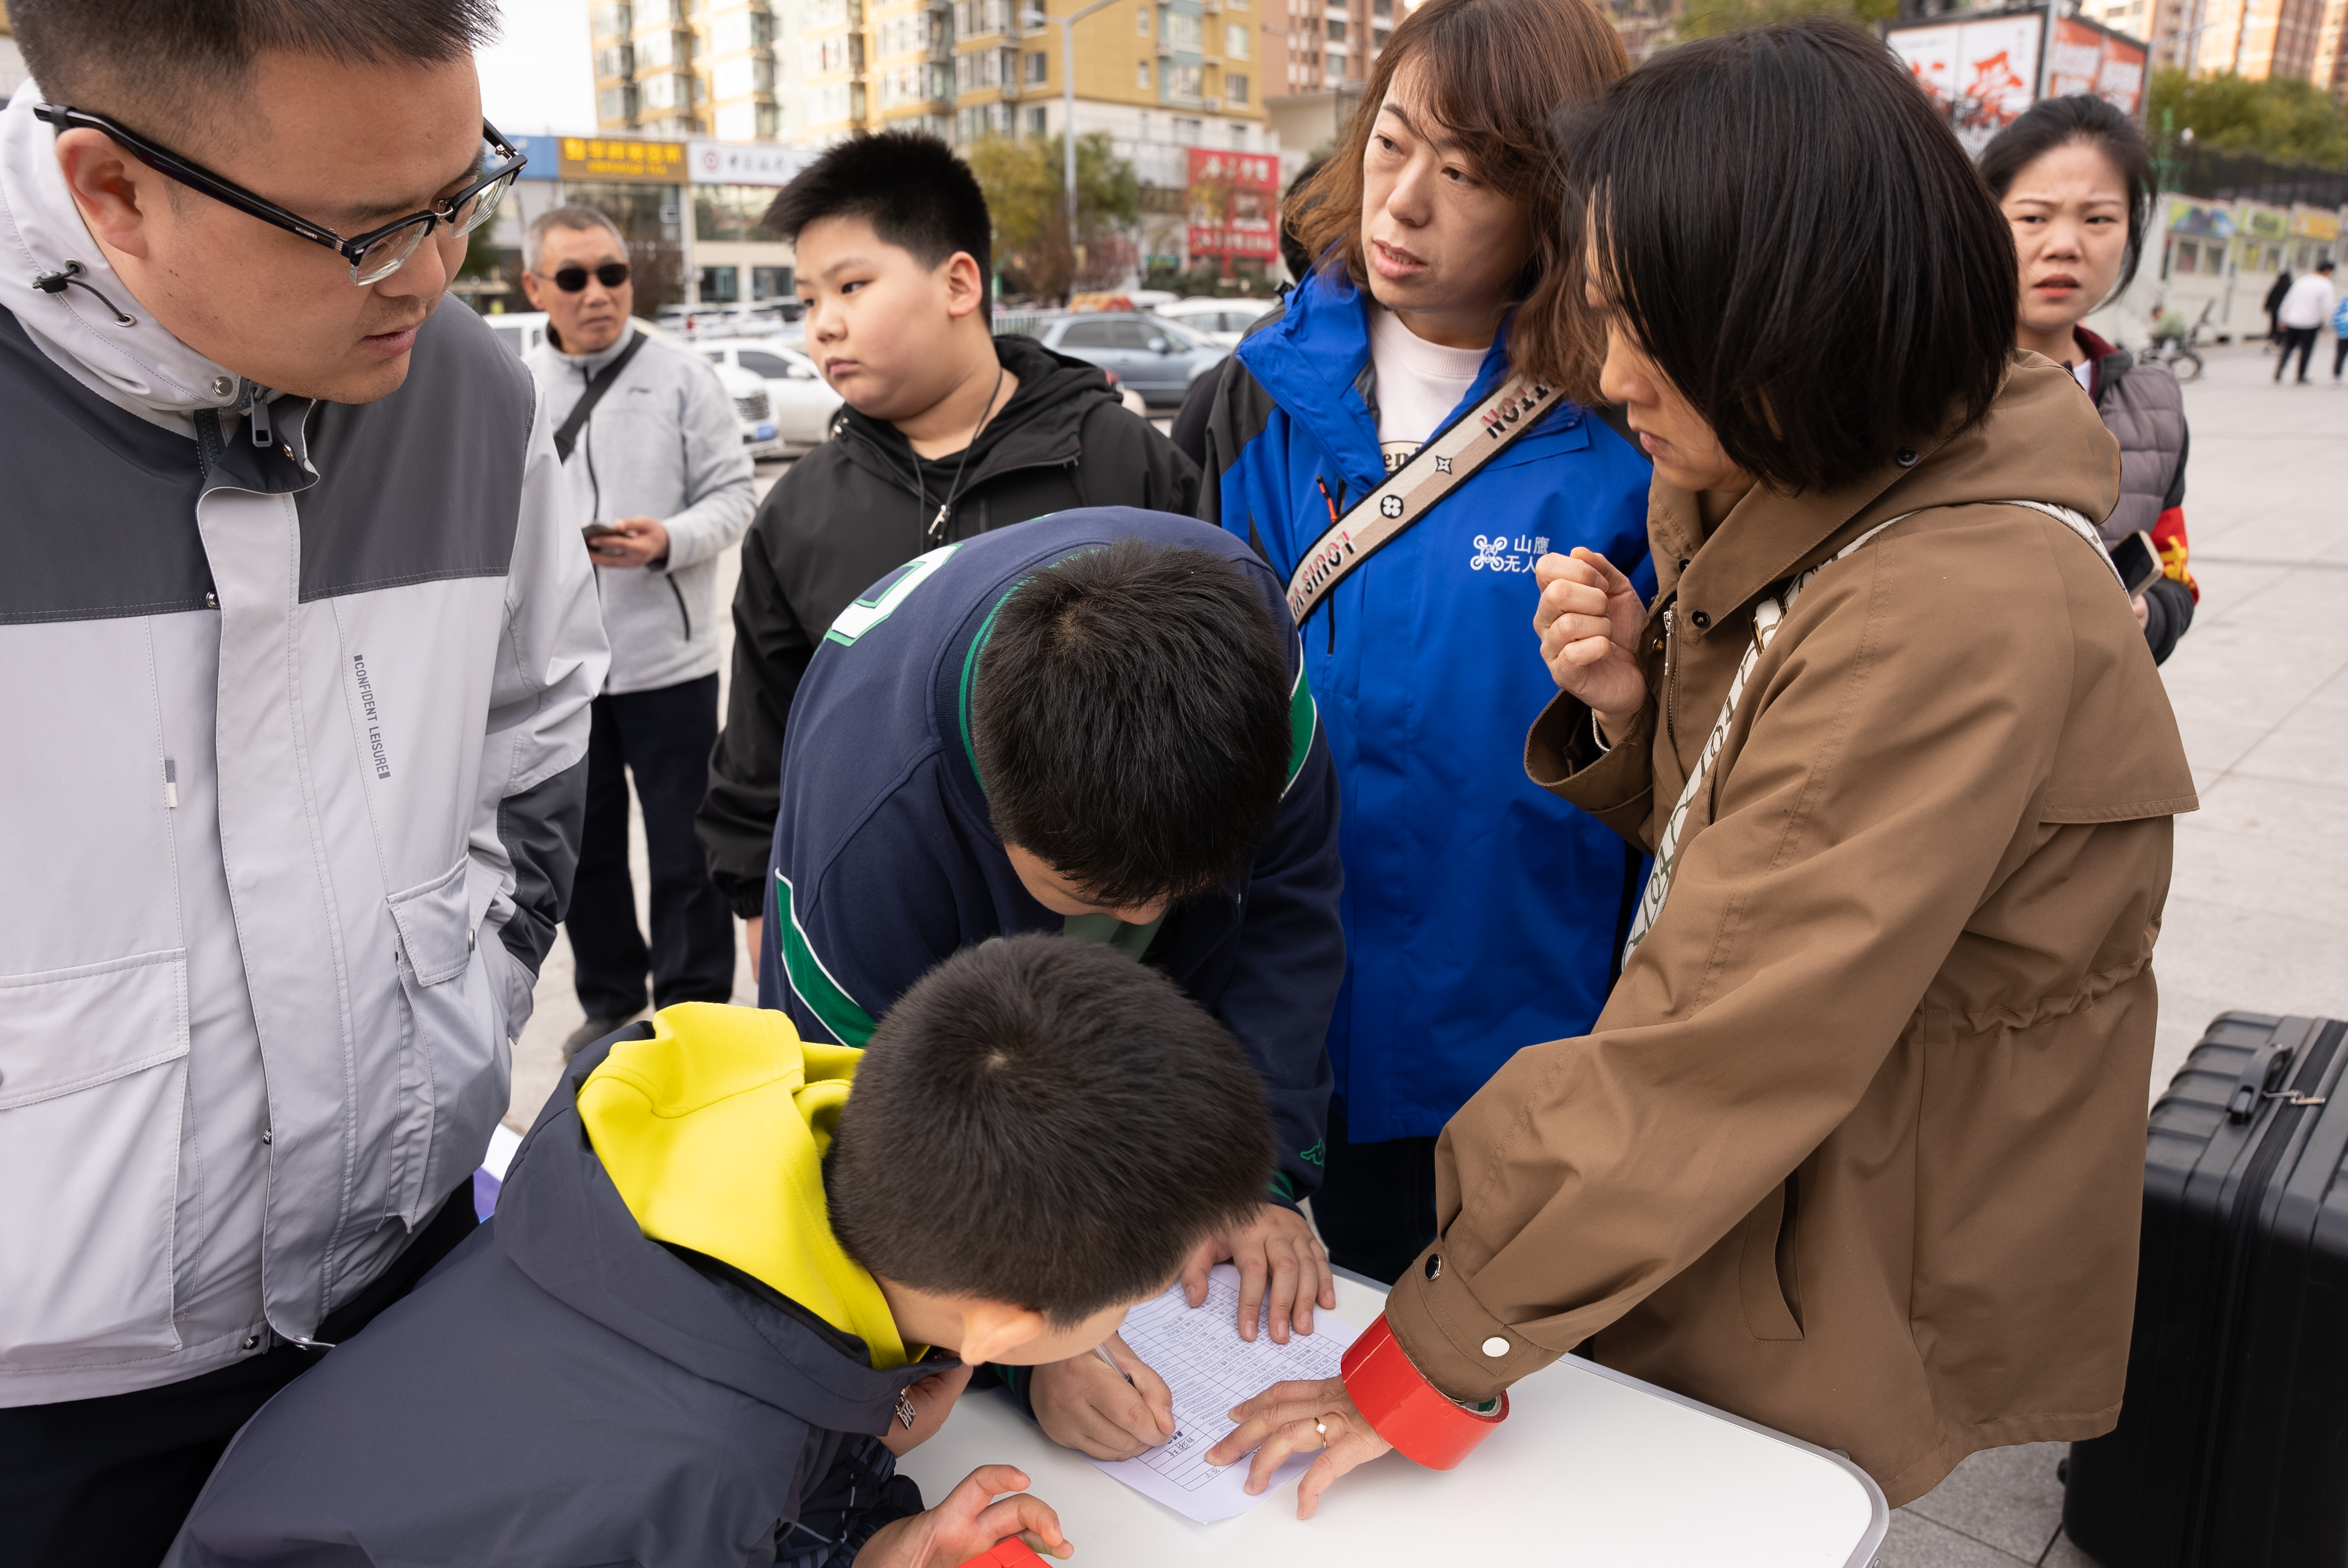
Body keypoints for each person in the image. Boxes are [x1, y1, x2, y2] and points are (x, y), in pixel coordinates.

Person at [1211, 19, 2195, 1515]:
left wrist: (1433, 1348)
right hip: (1726, 1193)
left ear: (1798, 316)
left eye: (1648, 330)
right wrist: (1631, 720)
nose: (1612, 377)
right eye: (1600, 315)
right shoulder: (1824, 492)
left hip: (1825, 1238)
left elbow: (1725, 1032)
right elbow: (1758, 833)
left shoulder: (1934, 606)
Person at [0, 3, 607, 1562]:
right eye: (365, 232)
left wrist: (469, 988)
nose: (435, 272)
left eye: (461, 194)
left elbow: (536, 729)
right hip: (46, 1404)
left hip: (407, 1286)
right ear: (113, 188)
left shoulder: (471, 395)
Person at [164, 936, 1277, 1566]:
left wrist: (874, 1544)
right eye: (1131, 1299)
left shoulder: (715, 1150)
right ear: (1004, 1326)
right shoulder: (706, 1467)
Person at [1199, 0, 1652, 1286]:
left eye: (1464, 174)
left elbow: (1695, 778)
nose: (1400, 203)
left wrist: (1625, 704)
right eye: (1390, 144)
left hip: (1519, 1044)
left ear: (1555, 202)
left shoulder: (1627, 437)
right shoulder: (1252, 399)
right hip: (1276, 1027)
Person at [761, 510, 1343, 1459]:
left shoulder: (1246, 655)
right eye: (1096, 899)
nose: (1147, 915)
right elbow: (865, 1154)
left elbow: (1289, 910)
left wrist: (1256, 1178)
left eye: (1183, 892)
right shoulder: (867, 848)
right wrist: (1024, 1353)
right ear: (994, 816)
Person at [697, 132, 1198, 930]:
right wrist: (757, 905)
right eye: (808, 300)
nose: (823, 325)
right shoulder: (797, 511)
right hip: (878, 939)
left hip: (1114, 930)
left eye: (851, 286)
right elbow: (765, 737)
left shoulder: (1121, 463)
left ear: (959, 283)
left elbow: (1214, 699)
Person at [522, 205, 755, 1054]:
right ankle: (611, 998)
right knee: (582, 851)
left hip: (670, 662)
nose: (598, 293)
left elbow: (737, 494)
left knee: (687, 846)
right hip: (563, 670)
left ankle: (693, 1010)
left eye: (612, 274)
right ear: (535, 288)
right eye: (574, 277)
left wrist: (669, 541)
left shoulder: (684, 378)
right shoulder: (516, 390)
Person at [1980, 95, 2198, 664]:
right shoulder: (1916, 386)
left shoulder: (2154, 405)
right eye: (2034, 218)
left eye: (2098, 219)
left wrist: (2147, 616)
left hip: (2088, 707)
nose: (2064, 246)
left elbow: (2175, 576)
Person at [2273, 259, 2334, 383]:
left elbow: (2287, 300)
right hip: (2310, 323)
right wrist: (2328, 323)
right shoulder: (2326, 284)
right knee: (2306, 349)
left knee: (2289, 346)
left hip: (2292, 321)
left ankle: (2281, 366)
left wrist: (2282, 319)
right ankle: (2301, 375)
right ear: (2328, 271)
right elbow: (2328, 307)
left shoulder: (2302, 280)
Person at [2262, 266, 2292, 346]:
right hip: (2285, 312)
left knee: (2274, 325)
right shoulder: (2291, 288)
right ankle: (2282, 340)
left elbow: (2270, 297)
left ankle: (2274, 338)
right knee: (2283, 326)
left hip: (2274, 310)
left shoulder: (2277, 286)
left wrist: (2266, 307)